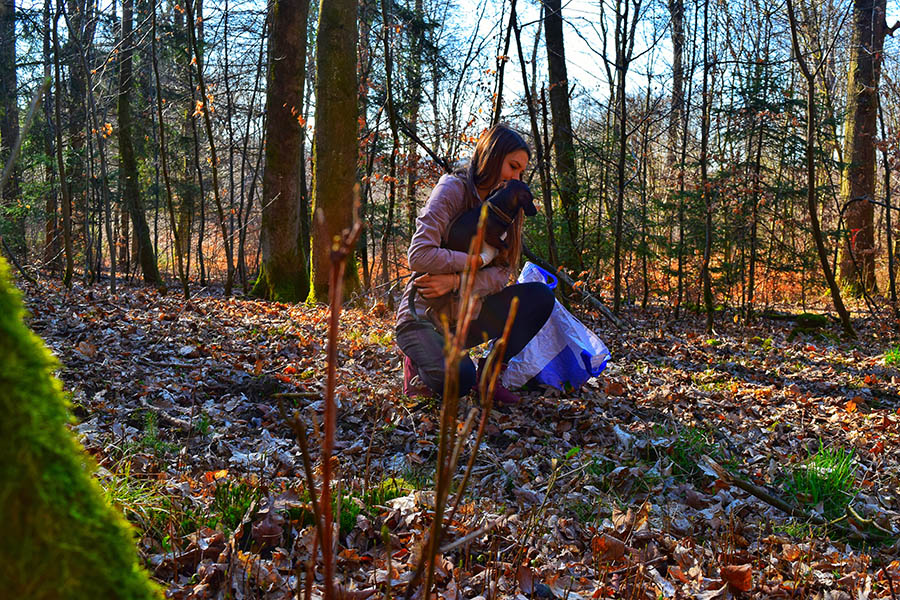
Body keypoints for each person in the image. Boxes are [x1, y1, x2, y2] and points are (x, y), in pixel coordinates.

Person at [395, 123, 556, 405]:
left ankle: (491, 376)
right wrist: (471, 261)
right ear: (492, 157)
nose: (516, 177)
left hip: (467, 313)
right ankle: (417, 362)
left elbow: (501, 274)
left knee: (540, 296)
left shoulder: (509, 206)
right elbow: (418, 255)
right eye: (512, 167)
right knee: (458, 380)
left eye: (521, 172)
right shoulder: (453, 189)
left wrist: (457, 280)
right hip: (424, 317)